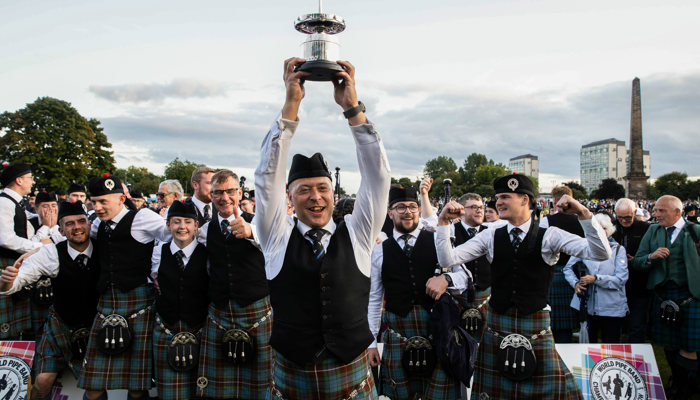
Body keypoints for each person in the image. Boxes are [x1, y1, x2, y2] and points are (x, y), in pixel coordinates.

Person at [255, 57, 390, 399]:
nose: (315, 198)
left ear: (334, 193)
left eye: (322, 188)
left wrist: (352, 109)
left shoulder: (358, 231)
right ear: (290, 197)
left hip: (349, 372)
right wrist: (291, 104)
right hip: (292, 373)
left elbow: (377, 178)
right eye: (304, 190)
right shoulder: (276, 235)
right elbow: (267, 178)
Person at [436, 173, 611, 399]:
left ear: (525, 200)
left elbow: (600, 253)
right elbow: (447, 260)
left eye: (505, 197)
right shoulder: (490, 236)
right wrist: (442, 223)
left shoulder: (551, 236)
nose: (498, 202)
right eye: (498, 197)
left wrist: (584, 214)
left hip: (535, 327)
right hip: (497, 326)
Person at [368, 185, 467, 399]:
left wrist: (446, 278)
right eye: (400, 207)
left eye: (413, 206)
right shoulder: (379, 250)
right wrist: (371, 343)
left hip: (437, 333)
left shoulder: (438, 239)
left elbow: (465, 277)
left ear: (420, 210)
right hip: (398, 335)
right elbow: (374, 299)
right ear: (390, 212)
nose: (408, 211)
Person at [78, 174, 170, 400]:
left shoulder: (143, 217)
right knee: (93, 385)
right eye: (94, 202)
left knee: (137, 386)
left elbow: (174, 236)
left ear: (121, 198)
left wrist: (157, 268)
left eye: (103, 202)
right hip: (107, 302)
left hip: (138, 300)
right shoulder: (97, 224)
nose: (97, 207)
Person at [0, 201, 99, 400]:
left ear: (89, 224)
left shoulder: (105, 250)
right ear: (61, 230)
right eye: (69, 224)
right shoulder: (50, 253)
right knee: (42, 382)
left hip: (94, 327)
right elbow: (18, 281)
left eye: (81, 221)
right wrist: (6, 283)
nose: (77, 227)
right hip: (60, 325)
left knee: (94, 389)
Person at [195, 169, 271, 399]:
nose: (224, 197)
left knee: (261, 384)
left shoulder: (259, 224)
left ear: (239, 193)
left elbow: (274, 243)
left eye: (229, 191)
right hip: (219, 311)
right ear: (211, 195)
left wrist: (250, 232)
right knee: (220, 388)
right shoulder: (205, 230)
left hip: (256, 310)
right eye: (217, 192)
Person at [632, 195, 700, 399]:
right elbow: (637, 261)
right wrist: (651, 258)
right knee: (669, 345)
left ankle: (687, 387)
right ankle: (679, 383)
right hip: (663, 297)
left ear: (677, 212)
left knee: (689, 346)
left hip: (691, 296)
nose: (656, 214)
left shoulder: (695, 231)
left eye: (662, 211)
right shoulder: (653, 230)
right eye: (655, 210)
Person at [151, 201, 209, 400]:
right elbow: (151, 277)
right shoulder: (158, 252)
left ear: (196, 226)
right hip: (167, 329)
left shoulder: (207, 253)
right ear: (168, 225)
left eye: (187, 222)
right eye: (176, 222)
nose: (182, 227)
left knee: (201, 392)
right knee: (169, 395)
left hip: (201, 330)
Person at [0, 163, 51, 340]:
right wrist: (41, 248)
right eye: (30, 178)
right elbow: (5, 238)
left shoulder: (14, 203)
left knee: (16, 327)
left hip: (14, 266)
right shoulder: (4, 203)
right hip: (5, 267)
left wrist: (44, 220)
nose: (33, 182)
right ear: (19, 180)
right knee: (6, 328)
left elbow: (25, 223)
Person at [564, 213, 629, 343]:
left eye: (602, 228)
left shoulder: (618, 250)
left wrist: (596, 278)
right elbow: (567, 268)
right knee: (589, 347)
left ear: (608, 230)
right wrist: (576, 283)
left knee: (611, 345)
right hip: (588, 307)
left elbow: (621, 279)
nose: (599, 232)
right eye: (595, 229)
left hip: (611, 308)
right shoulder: (583, 245)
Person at [540, 185, 585, 343]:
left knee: (553, 321)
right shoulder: (581, 221)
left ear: (554, 201)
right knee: (567, 323)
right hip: (577, 273)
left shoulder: (546, 221)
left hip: (553, 272)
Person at [611, 198, 651, 343]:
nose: (623, 221)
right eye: (620, 217)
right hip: (617, 283)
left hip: (639, 282)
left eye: (627, 217)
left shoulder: (645, 228)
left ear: (635, 212)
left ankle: (637, 353)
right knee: (617, 323)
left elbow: (651, 252)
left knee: (637, 322)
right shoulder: (611, 227)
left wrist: (636, 259)